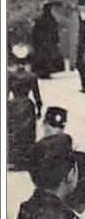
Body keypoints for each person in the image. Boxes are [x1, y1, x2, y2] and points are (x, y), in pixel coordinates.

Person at [8, 44, 42, 172]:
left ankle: (14, 160)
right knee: (28, 133)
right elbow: (37, 95)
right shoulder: (31, 76)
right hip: (27, 105)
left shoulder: (10, 76)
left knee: (14, 132)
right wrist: (39, 108)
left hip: (14, 104)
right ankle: (27, 158)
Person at [30, 0, 64, 79]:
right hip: (43, 42)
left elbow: (54, 30)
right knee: (44, 57)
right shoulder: (45, 19)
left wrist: (56, 39)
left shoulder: (49, 19)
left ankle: (45, 72)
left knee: (46, 57)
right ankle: (44, 72)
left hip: (46, 42)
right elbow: (35, 31)